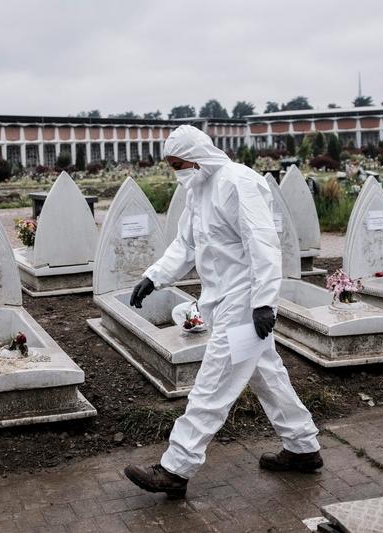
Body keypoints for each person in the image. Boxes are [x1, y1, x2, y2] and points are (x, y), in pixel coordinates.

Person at [123, 125, 322, 499]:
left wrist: (264, 302)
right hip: (223, 300)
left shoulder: (238, 182)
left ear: (196, 156)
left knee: (211, 385)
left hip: (245, 303)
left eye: (178, 164)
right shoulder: (197, 190)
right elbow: (186, 244)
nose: (176, 172)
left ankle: (176, 467)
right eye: (171, 166)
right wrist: (154, 276)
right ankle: (302, 446)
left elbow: (262, 243)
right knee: (267, 375)